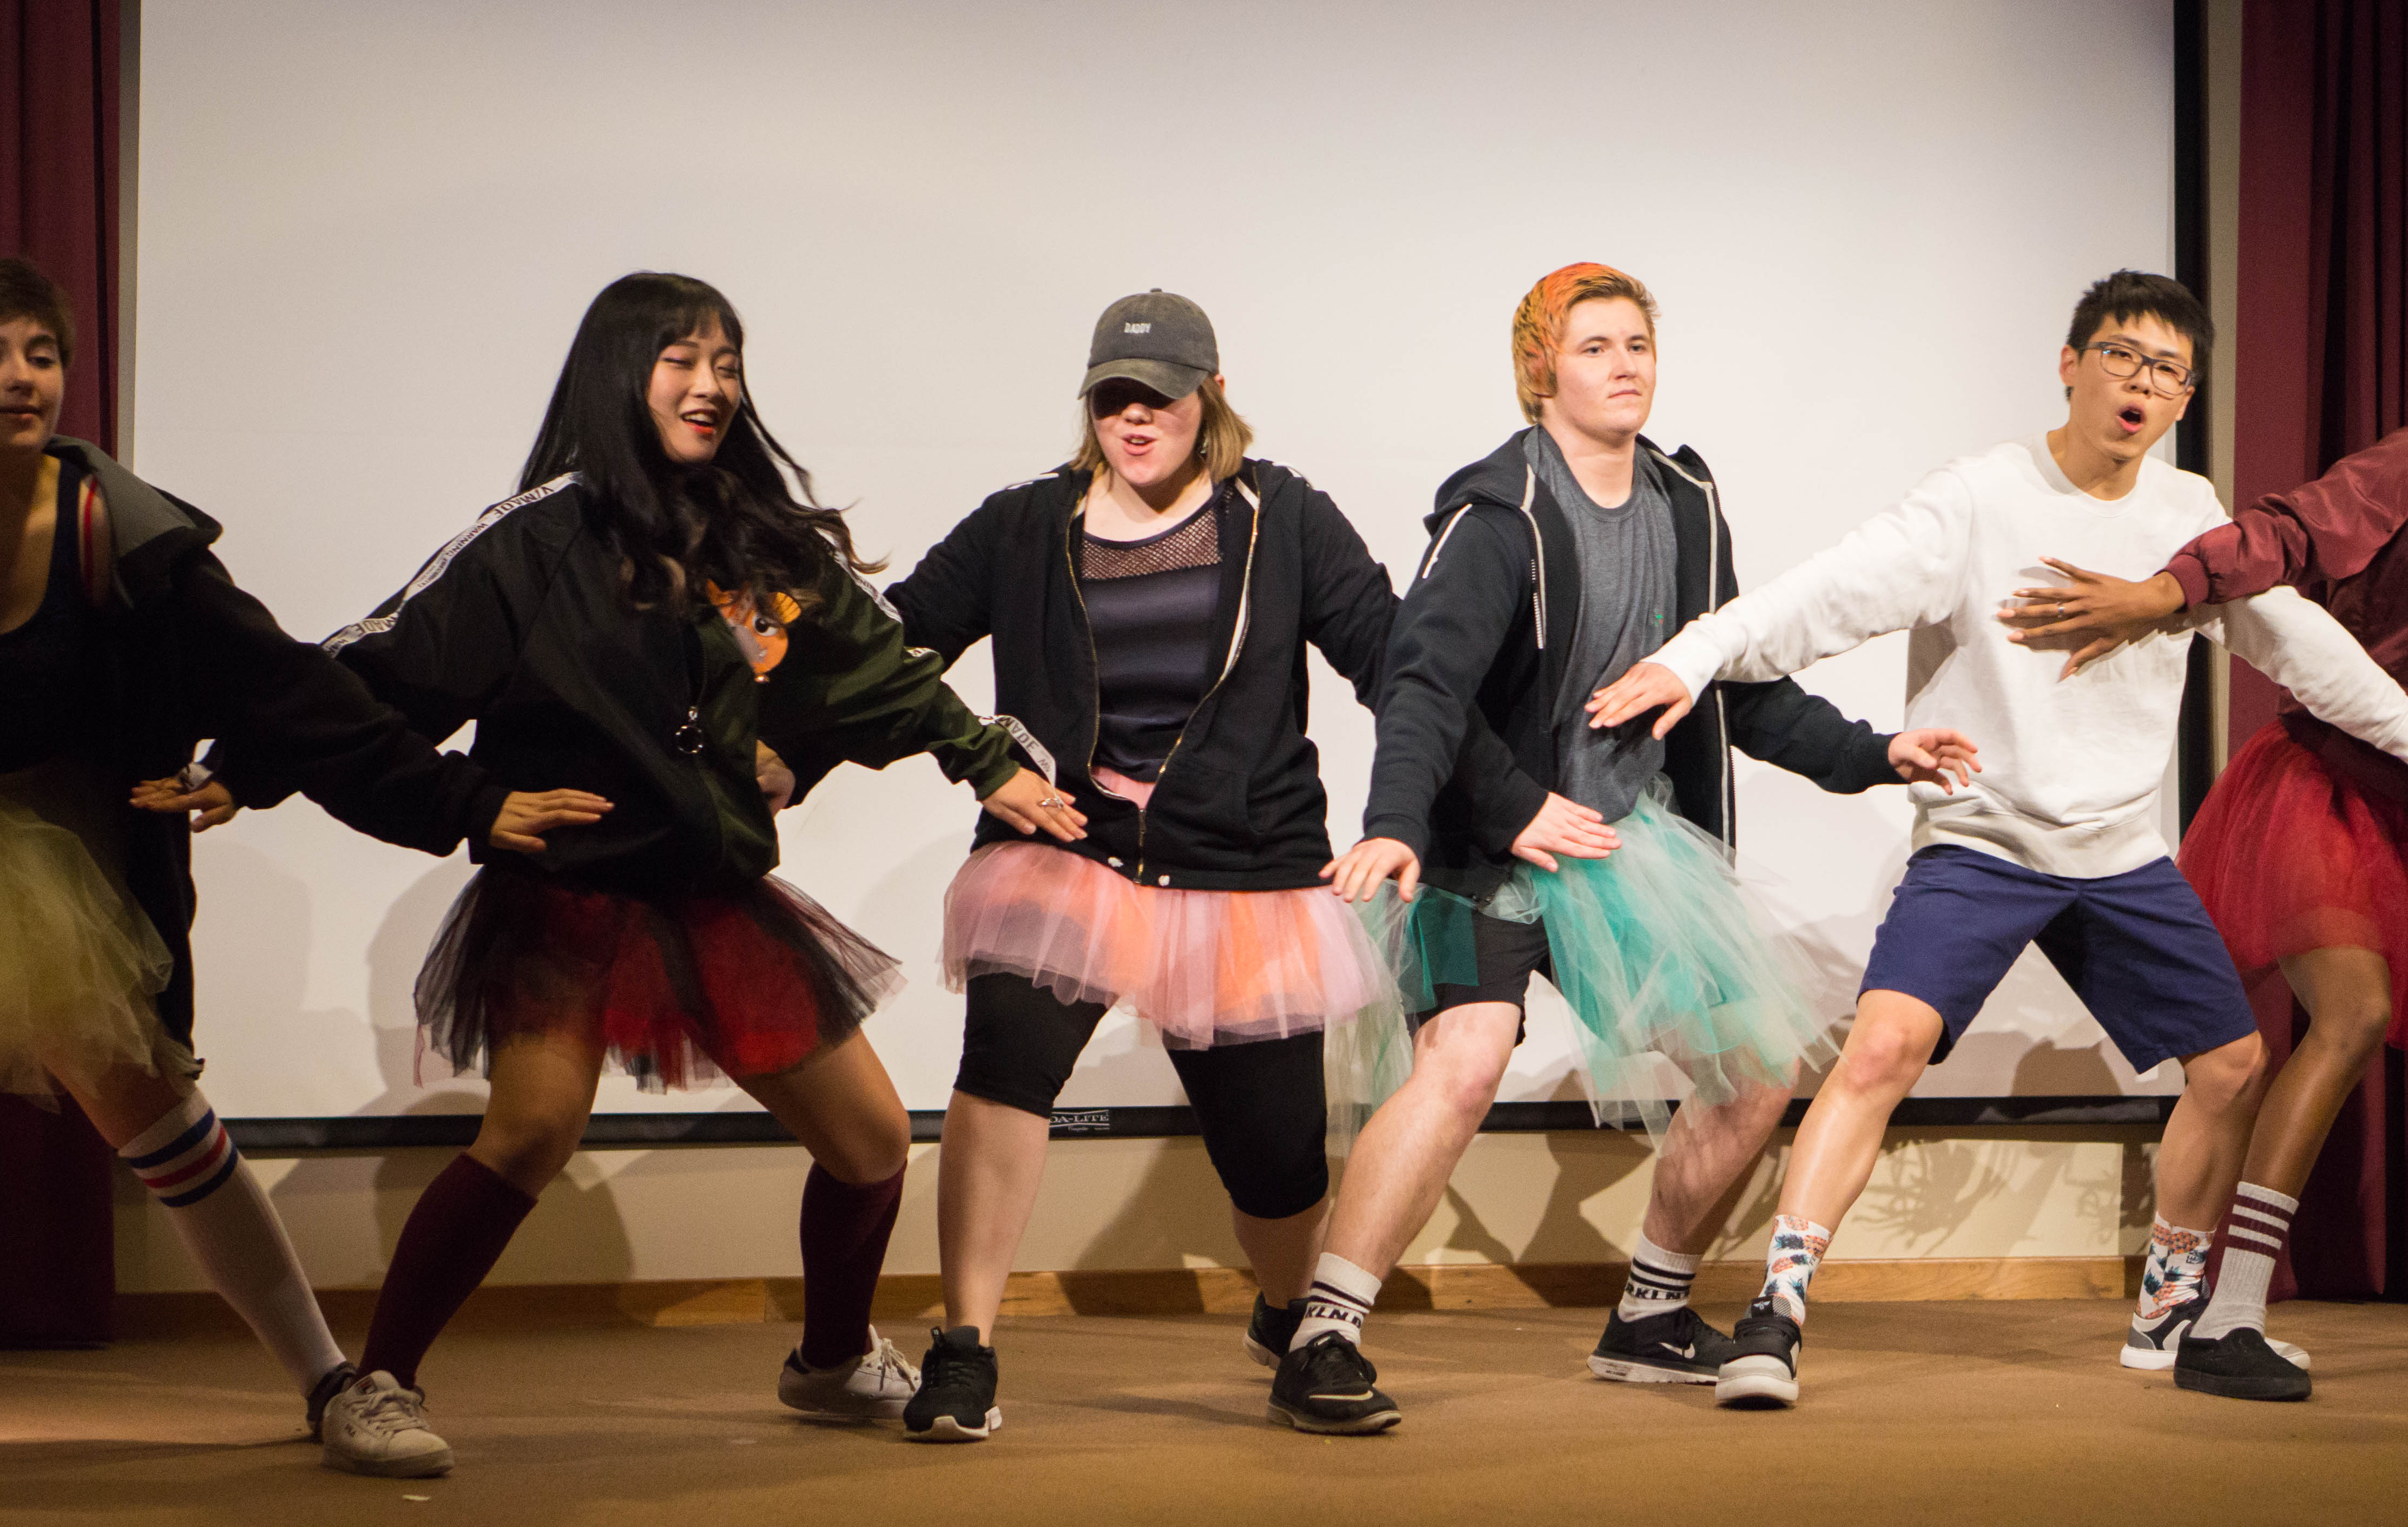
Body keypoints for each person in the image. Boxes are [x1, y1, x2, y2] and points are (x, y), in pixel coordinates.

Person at [157, 272, 1074, 1477]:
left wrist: (983, 758)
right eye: (681, 360)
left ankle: (830, 1360)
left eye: (727, 363)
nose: (710, 386)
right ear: (618, 374)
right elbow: (377, 662)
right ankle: (376, 1385)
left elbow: (877, 664)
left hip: (709, 887)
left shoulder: (755, 540)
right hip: (571, 887)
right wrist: (251, 762)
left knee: (868, 1141)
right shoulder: (541, 534)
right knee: (530, 1133)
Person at [1598, 270, 2408, 1407]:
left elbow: (2299, 642)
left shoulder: (2188, 516)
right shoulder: (1980, 496)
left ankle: (2167, 1314)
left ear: (2184, 396)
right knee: (1882, 1048)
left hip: (2116, 852)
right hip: (1983, 839)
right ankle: (1777, 1311)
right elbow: (1825, 594)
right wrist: (1694, 654)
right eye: (2121, 356)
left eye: (2168, 370)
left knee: (2232, 1063)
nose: (2140, 384)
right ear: (2070, 364)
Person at [0, 254, 569, 1453]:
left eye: (43, 354)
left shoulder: (121, 529)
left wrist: (460, 800)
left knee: (147, 1100)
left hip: (32, 837)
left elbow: (284, 684)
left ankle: (332, 1383)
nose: (24, 379)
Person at [1301, 262, 1975, 1434]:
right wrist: (1421, 820)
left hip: (1626, 849)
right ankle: (1326, 1331)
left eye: (1637, 345)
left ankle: (1650, 1314)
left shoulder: (1684, 503)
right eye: (1594, 347)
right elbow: (1423, 684)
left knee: (1753, 1070)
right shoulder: (1498, 511)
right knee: (1463, 1060)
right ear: (1540, 371)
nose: (1624, 366)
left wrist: (1875, 752)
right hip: (1490, 848)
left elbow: (1734, 685)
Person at [877, 291, 1488, 1440]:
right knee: (1004, 1063)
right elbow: (887, 648)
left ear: (1211, 395)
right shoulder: (1025, 524)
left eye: (1158, 396)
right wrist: (960, 757)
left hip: (1239, 866)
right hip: (1069, 849)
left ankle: (1292, 1320)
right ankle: (964, 1347)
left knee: (1274, 1159)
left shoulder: (1282, 518)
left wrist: (1445, 803)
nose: (1134, 417)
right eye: (1113, 397)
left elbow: (1398, 663)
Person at [2008, 303, 2408, 1380]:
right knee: (2352, 1013)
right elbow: (2287, 534)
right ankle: (2227, 1316)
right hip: (2326, 786)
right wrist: (2166, 590)